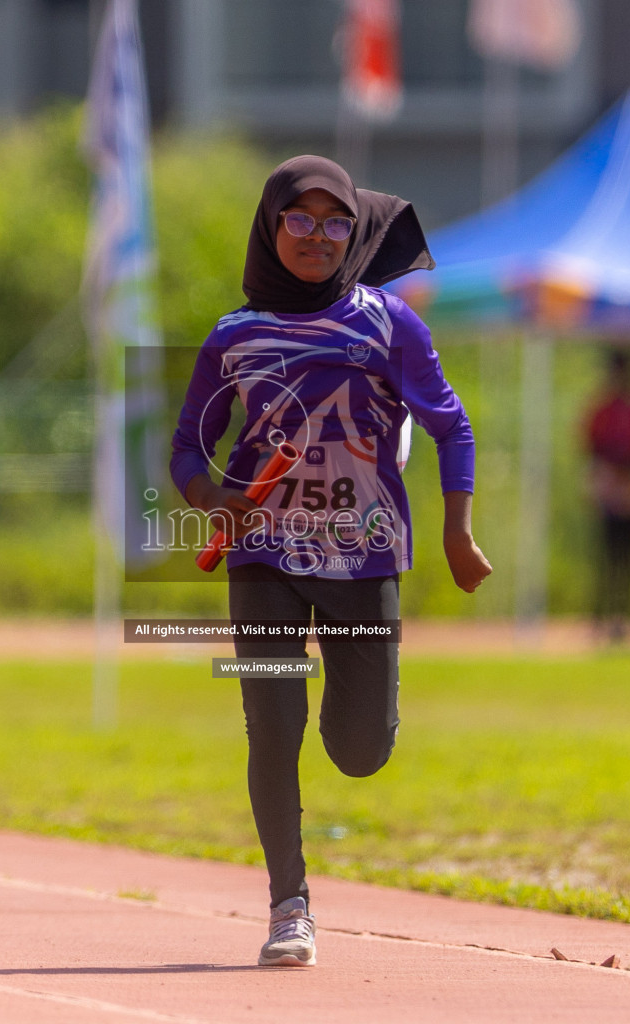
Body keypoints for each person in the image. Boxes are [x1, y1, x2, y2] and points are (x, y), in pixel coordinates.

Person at [170, 155, 491, 967]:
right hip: (262, 559)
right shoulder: (234, 336)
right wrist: (212, 499)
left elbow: (453, 428)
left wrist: (457, 530)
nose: (317, 237)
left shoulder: (389, 324)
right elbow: (186, 449)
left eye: (335, 222)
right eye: (300, 220)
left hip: (365, 558)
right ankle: (289, 905)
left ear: (354, 230)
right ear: (271, 226)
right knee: (271, 725)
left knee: (360, 749)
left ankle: (351, 720)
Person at [582, 349, 630, 645]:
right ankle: (602, 618)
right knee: (606, 557)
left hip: (629, 487)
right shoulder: (603, 407)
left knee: (629, 557)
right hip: (610, 485)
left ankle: (629, 618)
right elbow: (590, 443)